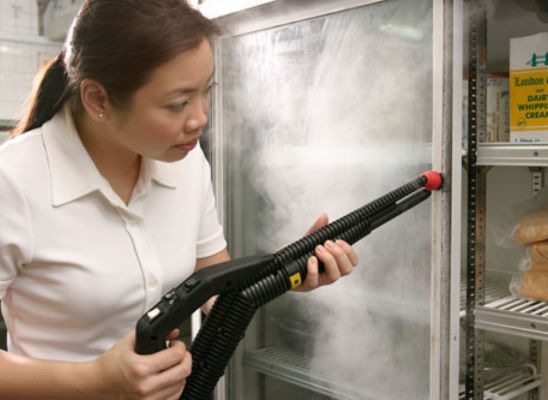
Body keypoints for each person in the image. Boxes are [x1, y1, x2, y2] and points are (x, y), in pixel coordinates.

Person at [0, 1, 358, 398]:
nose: (200, 117)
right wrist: (97, 380)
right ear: (98, 100)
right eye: (177, 103)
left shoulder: (183, 162)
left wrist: (283, 272)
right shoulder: (13, 181)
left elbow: (213, 286)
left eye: (206, 92)